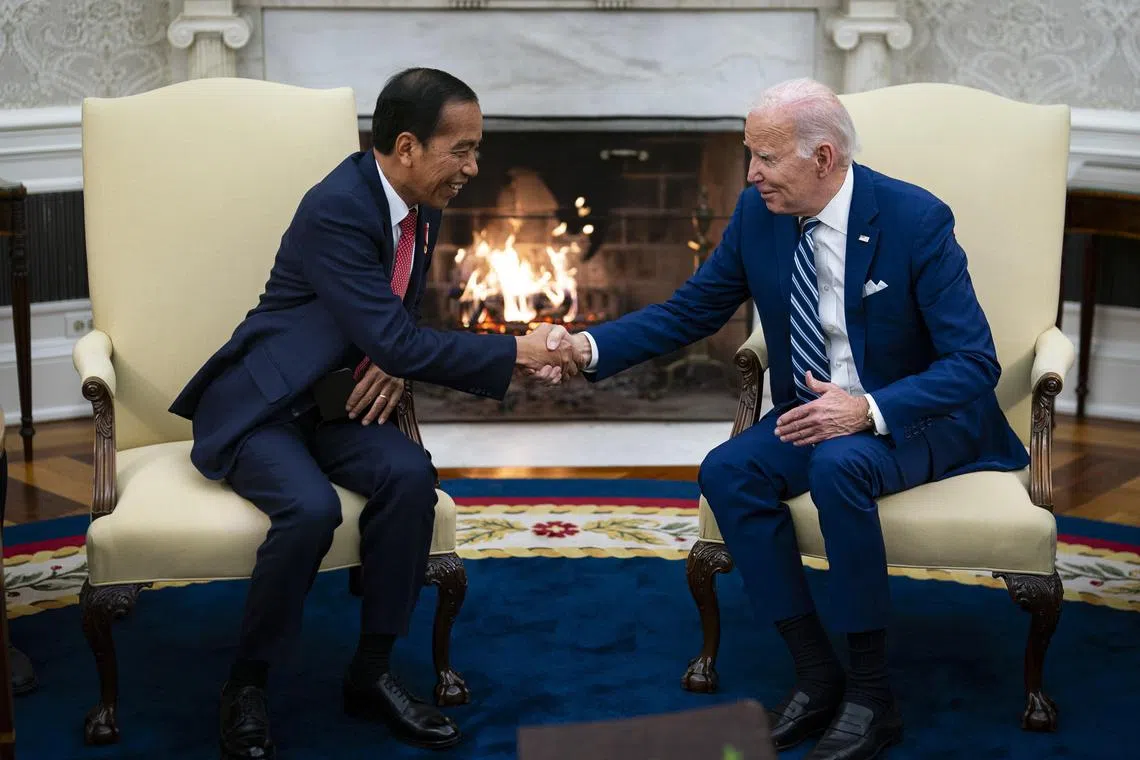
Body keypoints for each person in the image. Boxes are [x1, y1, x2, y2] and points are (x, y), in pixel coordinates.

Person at [548, 78, 1029, 760]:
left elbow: (974, 364)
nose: (751, 174)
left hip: (916, 416)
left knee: (840, 464)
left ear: (824, 158)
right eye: (749, 155)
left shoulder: (915, 219)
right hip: (815, 415)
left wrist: (866, 409)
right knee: (728, 470)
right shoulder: (757, 215)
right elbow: (689, 313)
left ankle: (872, 695)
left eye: (766, 158)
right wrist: (584, 347)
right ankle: (815, 672)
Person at [169, 67, 575, 759]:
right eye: (464, 150)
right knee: (309, 511)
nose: (474, 167)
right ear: (409, 146)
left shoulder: (423, 204)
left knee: (410, 477)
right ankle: (247, 683)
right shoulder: (338, 206)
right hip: (266, 403)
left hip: (340, 402)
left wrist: (391, 355)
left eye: (478, 149)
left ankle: (372, 672)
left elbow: (388, 318)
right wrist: (512, 350)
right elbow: (389, 329)